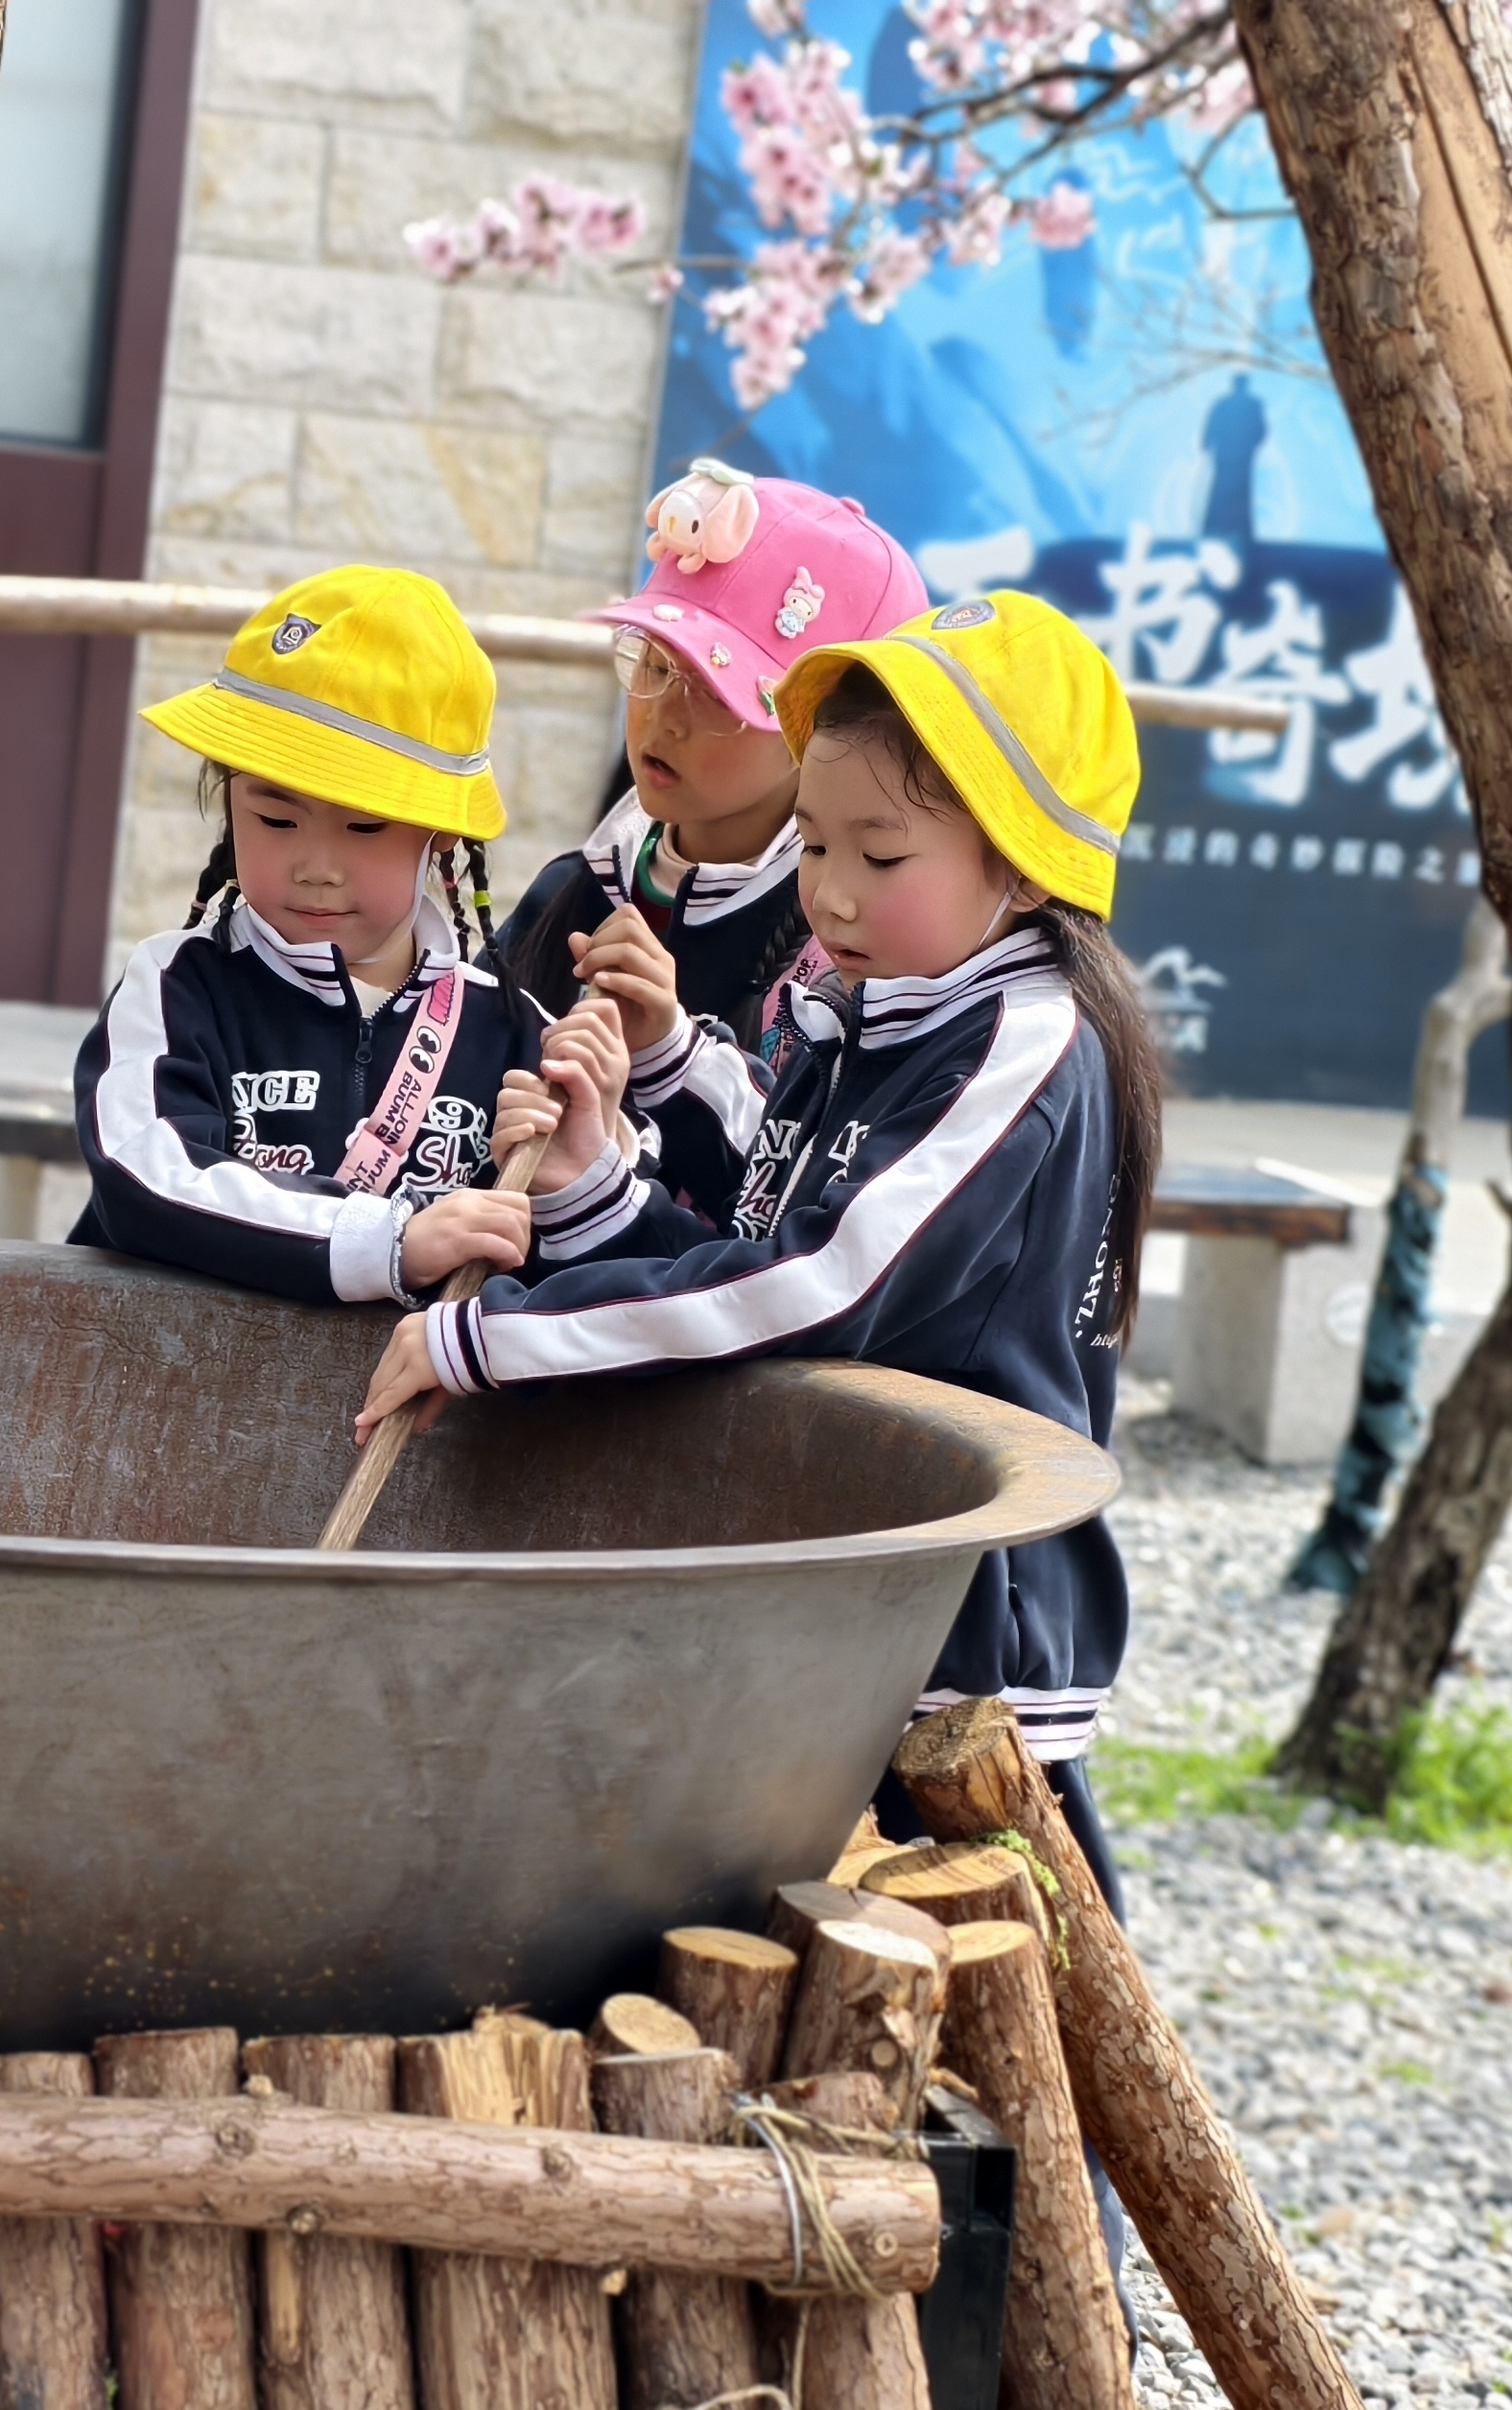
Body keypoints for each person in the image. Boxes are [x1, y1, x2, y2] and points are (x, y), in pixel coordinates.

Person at [357, 588, 1165, 1875]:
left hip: (950, 1626)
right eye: (816, 844)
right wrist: (590, 1188)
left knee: (988, 1928)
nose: (831, 895)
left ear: (1021, 865)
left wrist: (498, 1337)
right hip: (837, 1575)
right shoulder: (863, 1016)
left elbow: (823, 1289)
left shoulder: (1022, 1041)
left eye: (880, 857)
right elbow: (747, 1241)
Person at [73, 566, 636, 1303]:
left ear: (442, 833)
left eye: (364, 827)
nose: (316, 868)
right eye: (276, 818)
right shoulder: (175, 987)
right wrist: (389, 1242)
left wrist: (590, 1165)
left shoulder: (517, 1035)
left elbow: (595, 1283)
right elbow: (144, 1175)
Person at [495, 471, 927, 1215]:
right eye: (656, 664)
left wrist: (670, 1051)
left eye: (716, 692)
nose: (665, 716)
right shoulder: (573, 888)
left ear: (825, 734)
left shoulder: (847, 953)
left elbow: (807, 1196)